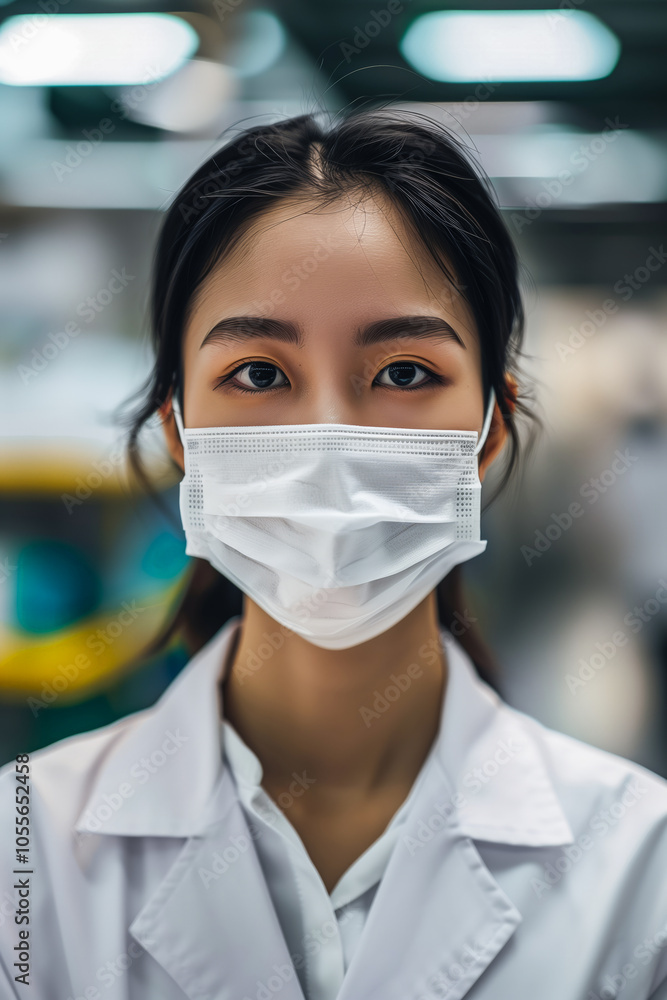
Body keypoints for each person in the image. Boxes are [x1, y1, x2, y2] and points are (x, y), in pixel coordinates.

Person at [1, 108, 667, 1000]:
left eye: (403, 373)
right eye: (260, 374)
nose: (327, 439)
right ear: (181, 432)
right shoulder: (23, 847)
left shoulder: (639, 861)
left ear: (488, 430)